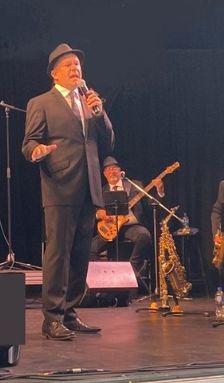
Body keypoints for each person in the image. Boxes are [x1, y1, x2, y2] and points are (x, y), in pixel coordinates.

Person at [22, 43, 115, 340]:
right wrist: (37, 150)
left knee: (79, 256)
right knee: (58, 254)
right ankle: (51, 318)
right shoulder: (41, 103)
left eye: (77, 64)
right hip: (60, 186)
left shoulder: (90, 102)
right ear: (54, 73)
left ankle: (70, 313)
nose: (75, 69)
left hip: (88, 187)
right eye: (68, 65)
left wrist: (99, 113)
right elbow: (29, 143)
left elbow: (109, 142)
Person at [90, 156, 163, 286]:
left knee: (144, 236)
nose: (112, 172)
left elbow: (152, 203)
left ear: (120, 171)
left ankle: (130, 270)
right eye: (108, 170)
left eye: (114, 169)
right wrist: (100, 214)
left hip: (131, 226)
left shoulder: (134, 185)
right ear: (104, 174)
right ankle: (101, 280)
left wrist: (159, 190)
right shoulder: (101, 191)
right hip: (110, 228)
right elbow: (94, 211)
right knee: (90, 248)